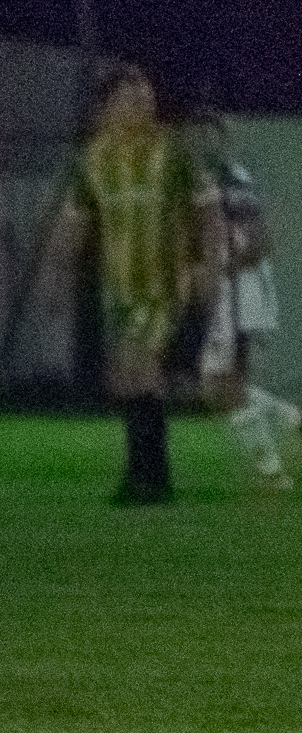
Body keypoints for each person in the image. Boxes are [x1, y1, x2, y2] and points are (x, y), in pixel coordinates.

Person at [54, 65, 199, 504]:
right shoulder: (94, 160)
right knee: (125, 378)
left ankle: (151, 481)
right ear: (108, 107)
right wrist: (60, 274)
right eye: (133, 99)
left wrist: (203, 262)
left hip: (162, 285)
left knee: (142, 371)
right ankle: (144, 476)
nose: (143, 106)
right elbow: (77, 218)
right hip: (117, 290)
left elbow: (204, 206)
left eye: (147, 99)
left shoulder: (171, 154)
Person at [189, 115, 302, 489]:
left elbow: (257, 240)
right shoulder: (240, 178)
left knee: (224, 386)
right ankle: (301, 422)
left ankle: (272, 472)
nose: (203, 141)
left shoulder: (217, 182)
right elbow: (263, 236)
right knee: (218, 384)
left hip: (235, 292)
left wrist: (218, 267)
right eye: (199, 133)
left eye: (210, 134)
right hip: (244, 289)